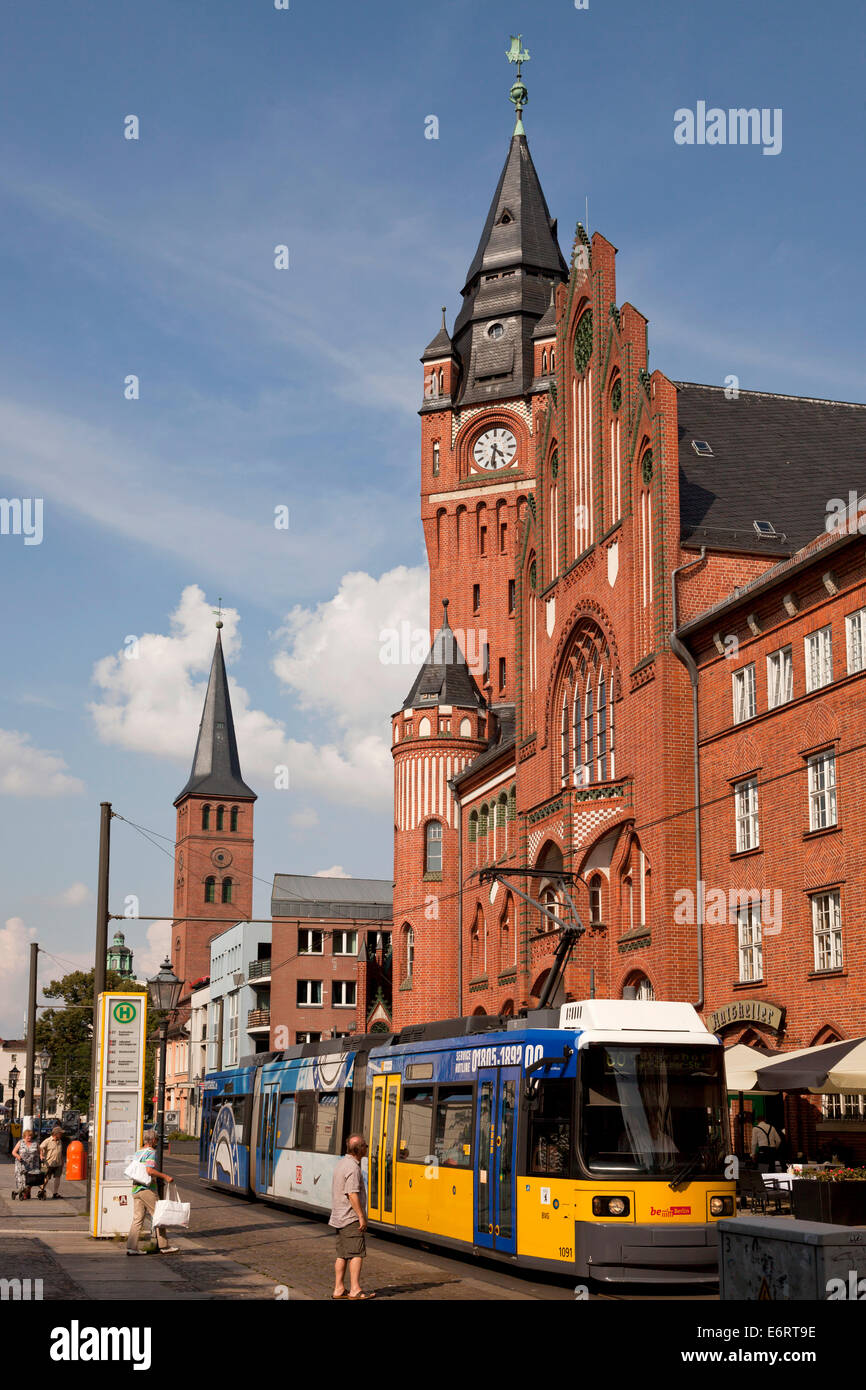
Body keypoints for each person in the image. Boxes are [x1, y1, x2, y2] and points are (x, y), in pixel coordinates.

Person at [329, 1133, 375, 1300]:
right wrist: (361, 1216)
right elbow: (352, 1194)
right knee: (356, 1253)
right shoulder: (353, 1168)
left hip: (339, 1216)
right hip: (350, 1217)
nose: (367, 1149)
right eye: (365, 1146)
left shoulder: (342, 1163)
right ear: (359, 1149)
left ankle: (339, 1289)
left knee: (341, 1254)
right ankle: (355, 1289)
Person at [126, 1130, 179, 1256]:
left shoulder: (138, 1152)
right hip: (147, 1190)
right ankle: (164, 1246)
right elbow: (149, 1171)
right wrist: (165, 1176)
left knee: (137, 1219)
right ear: (153, 1140)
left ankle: (131, 1247)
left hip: (136, 1189)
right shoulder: (151, 1153)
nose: (157, 1142)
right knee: (159, 1216)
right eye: (157, 1140)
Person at [11, 1128, 44, 1200]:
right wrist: (18, 1156)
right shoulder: (20, 1142)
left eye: (30, 1136)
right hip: (21, 1165)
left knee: (31, 1181)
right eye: (27, 1136)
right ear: (24, 1136)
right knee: (22, 1181)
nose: (29, 1137)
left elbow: (40, 1150)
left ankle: (24, 1193)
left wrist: (41, 1156)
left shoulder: (35, 1143)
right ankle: (20, 1193)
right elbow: (13, 1152)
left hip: (33, 1165)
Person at [39, 1124, 65, 1199]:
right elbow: (40, 1148)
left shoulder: (60, 1141)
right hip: (47, 1163)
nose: (62, 1134)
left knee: (58, 1177)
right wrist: (41, 1155)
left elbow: (60, 1152)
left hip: (58, 1163)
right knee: (45, 1178)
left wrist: (62, 1162)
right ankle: (41, 1191)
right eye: (60, 1133)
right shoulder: (47, 1140)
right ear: (56, 1134)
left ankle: (55, 1193)